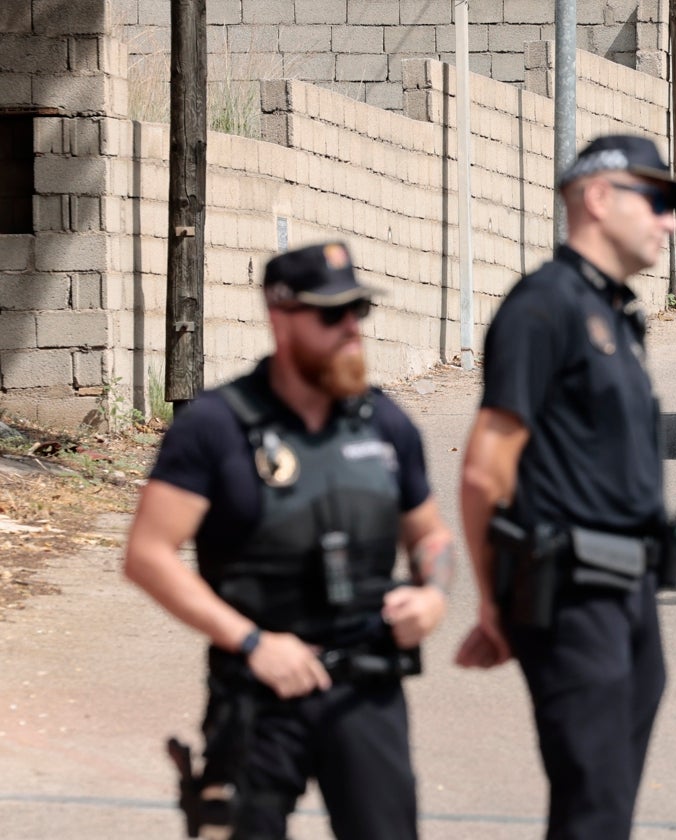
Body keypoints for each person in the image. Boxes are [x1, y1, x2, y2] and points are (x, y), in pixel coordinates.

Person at [124, 242, 453, 840]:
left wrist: (433, 595)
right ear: (280, 318)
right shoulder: (216, 427)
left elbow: (431, 535)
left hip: (366, 690)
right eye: (331, 315)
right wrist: (251, 642)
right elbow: (147, 555)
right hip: (258, 695)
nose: (351, 329)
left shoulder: (385, 424)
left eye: (358, 312)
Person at [455, 134, 676, 839]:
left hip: (629, 592)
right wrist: (495, 604)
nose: (669, 222)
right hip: (568, 596)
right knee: (592, 805)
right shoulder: (544, 309)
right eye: (655, 202)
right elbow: (484, 469)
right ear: (597, 198)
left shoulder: (614, 313)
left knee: (606, 810)